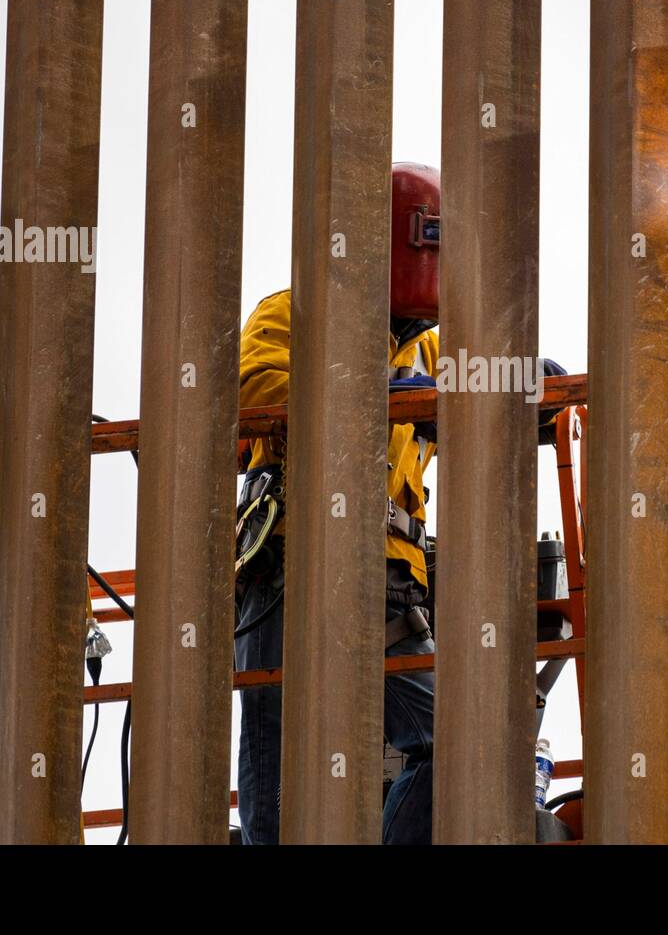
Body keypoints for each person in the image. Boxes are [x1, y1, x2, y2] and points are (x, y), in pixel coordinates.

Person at [233, 162, 443, 845]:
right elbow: (258, 388)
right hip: (294, 568)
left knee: (450, 747)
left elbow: (493, 388)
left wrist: (525, 380)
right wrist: (377, 382)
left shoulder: (438, 347)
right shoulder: (294, 311)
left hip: (388, 582)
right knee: (277, 760)